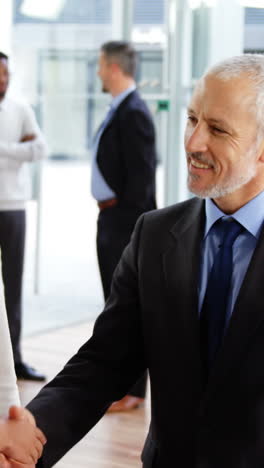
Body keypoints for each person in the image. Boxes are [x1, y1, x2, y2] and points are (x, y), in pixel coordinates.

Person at [4, 53, 264, 467]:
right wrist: (31, 430)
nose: (194, 142)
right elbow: (103, 364)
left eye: (217, 129)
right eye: (192, 118)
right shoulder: (155, 236)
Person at [91, 41, 157, 411]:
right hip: (112, 217)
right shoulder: (120, 108)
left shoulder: (133, 112)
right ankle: (125, 387)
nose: (98, 72)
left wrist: (134, 233)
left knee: (126, 307)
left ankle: (132, 391)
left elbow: (142, 180)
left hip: (125, 222)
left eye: (101, 66)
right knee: (116, 305)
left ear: (114, 68)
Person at [0, 52, 48, 381]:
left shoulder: (20, 110)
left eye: (5, 74)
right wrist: (16, 145)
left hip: (13, 207)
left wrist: (3, 147)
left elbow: (39, 149)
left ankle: (14, 360)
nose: (3, 80)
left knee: (12, 285)